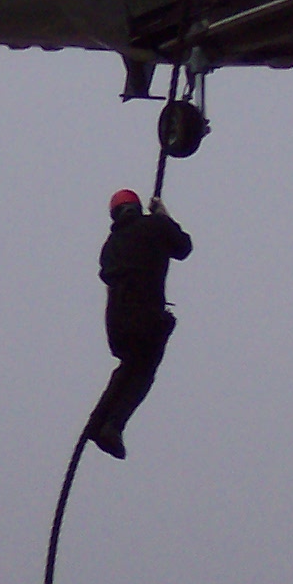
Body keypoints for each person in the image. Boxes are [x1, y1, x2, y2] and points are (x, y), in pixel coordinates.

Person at [85, 188, 192, 459]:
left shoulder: (111, 245)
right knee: (142, 373)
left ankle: (100, 423)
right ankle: (112, 425)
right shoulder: (153, 226)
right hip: (145, 315)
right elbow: (183, 247)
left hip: (117, 322)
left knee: (128, 368)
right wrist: (164, 216)